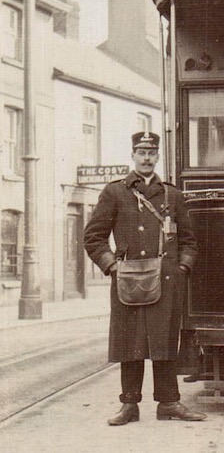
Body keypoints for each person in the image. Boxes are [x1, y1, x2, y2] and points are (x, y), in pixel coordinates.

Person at [84, 131, 206, 426]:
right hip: (128, 281)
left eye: (152, 153)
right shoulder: (115, 192)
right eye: (141, 152)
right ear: (133, 156)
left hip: (165, 281)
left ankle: (169, 404)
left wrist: (181, 269)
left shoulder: (172, 195)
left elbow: (189, 241)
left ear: (158, 157)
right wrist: (112, 266)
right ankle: (129, 406)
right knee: (131, 343)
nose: (147, 157)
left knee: (165, 343)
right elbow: (93, 237)